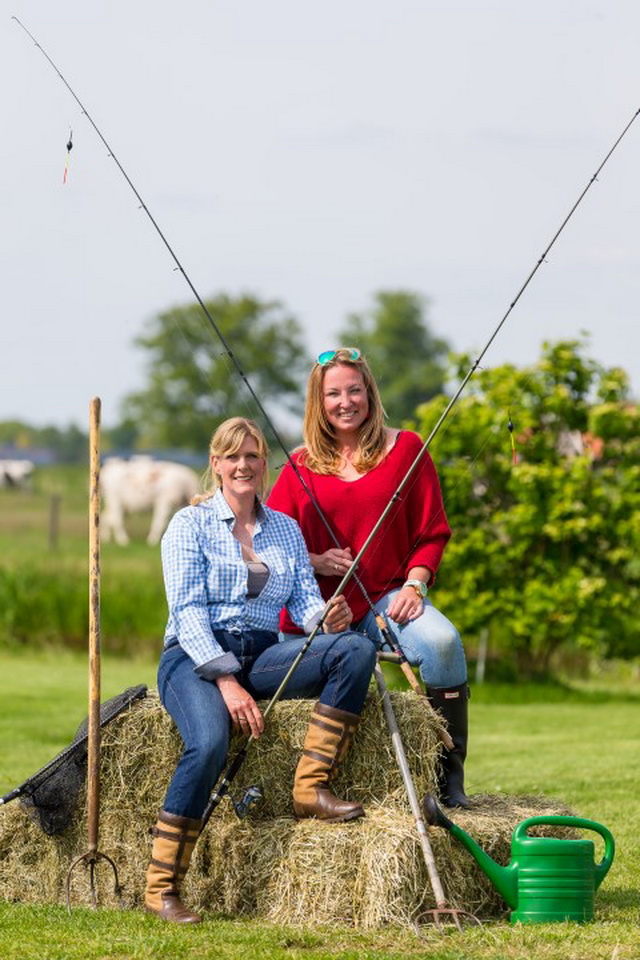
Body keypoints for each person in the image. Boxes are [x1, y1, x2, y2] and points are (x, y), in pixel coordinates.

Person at [145, 417, 376, 924]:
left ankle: (310, 787)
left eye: (252, 456)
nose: (243, 465)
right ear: (216, 465)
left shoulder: (285, 530)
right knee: (208, 743)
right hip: (195, 657)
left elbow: (307, 604)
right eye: (233, 457)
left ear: (264, 465)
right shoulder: (191, 524)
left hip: (264, 652)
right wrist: (225, 681)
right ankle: (163, 887)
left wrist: (330, 620)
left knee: (353, 651)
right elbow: (186, 613)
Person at [267, 348, 470, 810]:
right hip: (319, 611)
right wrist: (316, 561)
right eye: (333, 393)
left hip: (387, 598)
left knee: (441, 642)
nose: (345, 401)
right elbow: (272, 547)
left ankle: (446, 778)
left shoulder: (407, 448)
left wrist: (416, 585)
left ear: (370, 393)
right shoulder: (299, 465)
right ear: (318, 403)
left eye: (354, 390)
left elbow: (432, 532)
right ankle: (311, 786)